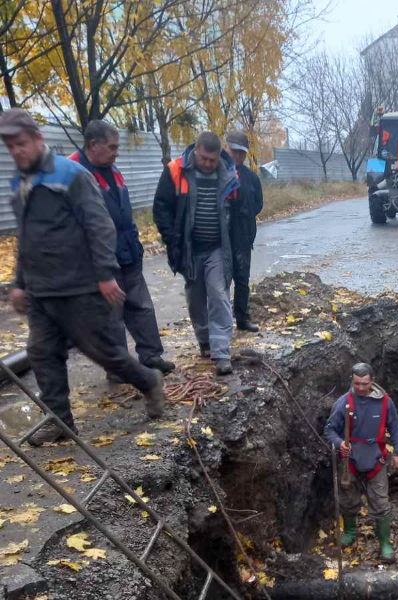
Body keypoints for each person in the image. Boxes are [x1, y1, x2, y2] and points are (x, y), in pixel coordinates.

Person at [2, 109, 166, 446]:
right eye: (9, 146)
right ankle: (59, 422)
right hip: (41, 290)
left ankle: (148, 381)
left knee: (105, 352)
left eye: (21, 143)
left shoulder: (70, 175)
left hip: (79, 286)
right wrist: (19, 283)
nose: (16, 151)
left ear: (37, 138)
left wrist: (105, 275)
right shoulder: (19, 182)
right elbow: (27, 237)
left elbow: (100, 225)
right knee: (42, 353)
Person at [69, 120, 175, 378]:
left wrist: (135, 244)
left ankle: (151, 356)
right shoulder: (73, 171)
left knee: (141, 307)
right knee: (110, 316)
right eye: (112, 147)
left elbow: (123, 213)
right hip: (100, 260)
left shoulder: (112, 169)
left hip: (128, 252)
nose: (117, 152)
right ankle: (118, 369)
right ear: (94, 145)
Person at [153, 131, 240, 376]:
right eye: (204, 159)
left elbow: (238, 212)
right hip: (190, 248)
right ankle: (205, 342)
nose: (208, 164)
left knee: (218, 293)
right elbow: (161, 207)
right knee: (195, 297)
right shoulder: (175, 170)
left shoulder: (229, 174)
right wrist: (172, 241)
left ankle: (221, 352)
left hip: (217, 247)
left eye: (212, 160)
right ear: (196, 151)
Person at [324, 363, 398, 563]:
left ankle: (385, 543)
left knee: (380, 504)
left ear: (372, 381)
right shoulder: (343, 403)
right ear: (352, 380)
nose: (360, 388)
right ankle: (350, 532)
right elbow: (329, 430)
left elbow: (395, 428)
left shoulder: (385, 403)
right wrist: (339, 442)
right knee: (348, 500)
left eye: (364, 384)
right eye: (356, 383)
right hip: (349, 462)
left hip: (376, 461)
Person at [224, 131, 263, 333]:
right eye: (234, 151)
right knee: (221, 281)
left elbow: (258, 204)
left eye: (242, 152)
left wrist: (244, 218)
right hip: (221, 238)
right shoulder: (217, 173)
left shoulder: (251, 177)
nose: (238, 156)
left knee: (242, 279)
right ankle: (221, 324)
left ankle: (242, 319)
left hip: (244, 236)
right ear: (226, 148)